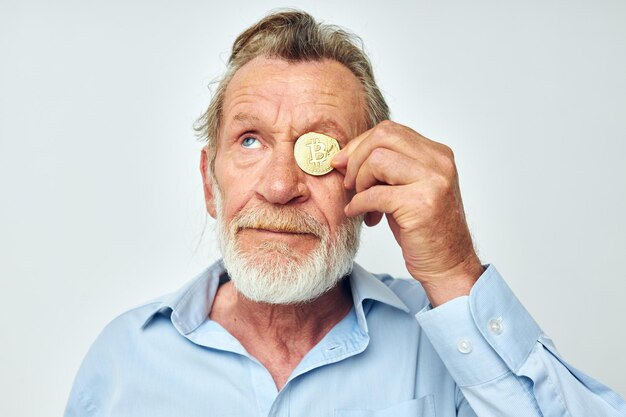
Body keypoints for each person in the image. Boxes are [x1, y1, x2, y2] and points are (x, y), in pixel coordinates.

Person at [64, 10, 626, 417]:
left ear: (371, 183)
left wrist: (455, 273)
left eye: (318, 147)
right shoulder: (123, 361)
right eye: (251, 140)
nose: (282, 187)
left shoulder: (447, 346)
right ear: (210, 184)